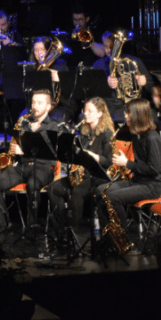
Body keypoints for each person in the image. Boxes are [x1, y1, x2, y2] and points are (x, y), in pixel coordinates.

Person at [94, 99, 161, 250]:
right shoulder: (137, 135)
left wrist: (127, 164)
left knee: (113, 198)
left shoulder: (152, 138)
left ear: (138, 115)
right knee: (100, 191)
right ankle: (109, 239)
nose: (125, 116)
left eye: (128, 113)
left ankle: (121, 239)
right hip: (137, 180)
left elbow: (154, 169)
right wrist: (129, 168)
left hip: (151, 186)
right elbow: (141, 164)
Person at [0, 89, 61, 233]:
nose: (35, 106)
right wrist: (14, 150)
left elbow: (53, 152)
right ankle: (4, 224)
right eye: (33, 102)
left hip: (44, 167)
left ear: (48, 107)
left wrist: (26, 150)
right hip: (22, 165)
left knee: (32, 184)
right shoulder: (24, 122)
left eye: (40, 103)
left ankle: (31, 225)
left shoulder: (55, 126)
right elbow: (16, 144)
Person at [47, 97, 115, 237]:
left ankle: (73, 232)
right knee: (54, 188)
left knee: (77, 192)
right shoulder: (84, 133)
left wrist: (92, 155)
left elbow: (109, 161)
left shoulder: (107, 134)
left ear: (100, 113)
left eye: (90, 111)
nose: (85, 113)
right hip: (83, 175)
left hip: (99, 177)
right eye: (85, 110)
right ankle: (61, 229)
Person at [92, 29, 154, 122]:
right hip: (109, 107)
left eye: (111, 47)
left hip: (133, 106)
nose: (108, 50)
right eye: (105, 46)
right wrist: (105, 85)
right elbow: (91, 92)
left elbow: (151, 88)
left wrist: (144, 82)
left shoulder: (135, 61)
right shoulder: (98, 65)